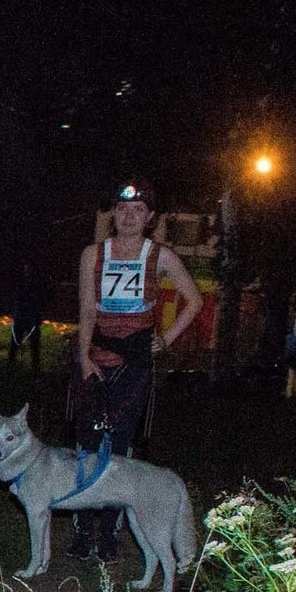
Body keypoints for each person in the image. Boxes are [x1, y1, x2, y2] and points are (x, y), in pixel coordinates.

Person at [70, 180, 204, 559]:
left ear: (149, 218)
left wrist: (166, 339)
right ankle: (83, 526)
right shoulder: (92, 255)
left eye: (138, 211)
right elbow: (86, 309)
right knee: (88, 442)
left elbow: (193, 300)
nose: (129, 216)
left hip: (136, 362)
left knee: (121, 445)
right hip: (97, 356)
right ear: (115, 213)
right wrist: (84, 356)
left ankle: (110, 530)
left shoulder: (160, 255)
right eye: (123, 209)